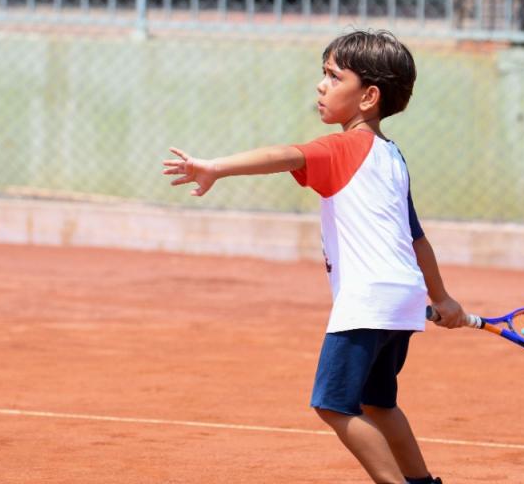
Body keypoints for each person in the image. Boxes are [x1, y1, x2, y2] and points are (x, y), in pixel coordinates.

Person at [162, 30, 465, 484]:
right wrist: (442, 298)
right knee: (378, 403)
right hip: (402, 299)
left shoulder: (344, 147)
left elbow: (286, 155)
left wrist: (216, 167)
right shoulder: (392, 156)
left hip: (367, 300)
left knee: (332, 404)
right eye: (323, 74)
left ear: (369, 97)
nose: (321, 86)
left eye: (333, 76)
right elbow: (417, 237)